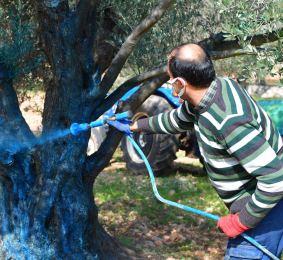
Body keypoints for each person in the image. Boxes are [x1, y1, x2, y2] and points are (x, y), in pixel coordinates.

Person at [108, 43, 283, 260]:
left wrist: (241, 221)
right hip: (262, 200)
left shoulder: (228, 122)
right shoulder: (216, 89)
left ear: (181, 83)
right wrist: (135, 126)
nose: (171, 85)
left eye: (171, 80)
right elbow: (176, 120)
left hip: (265, 206)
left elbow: (275, 181)